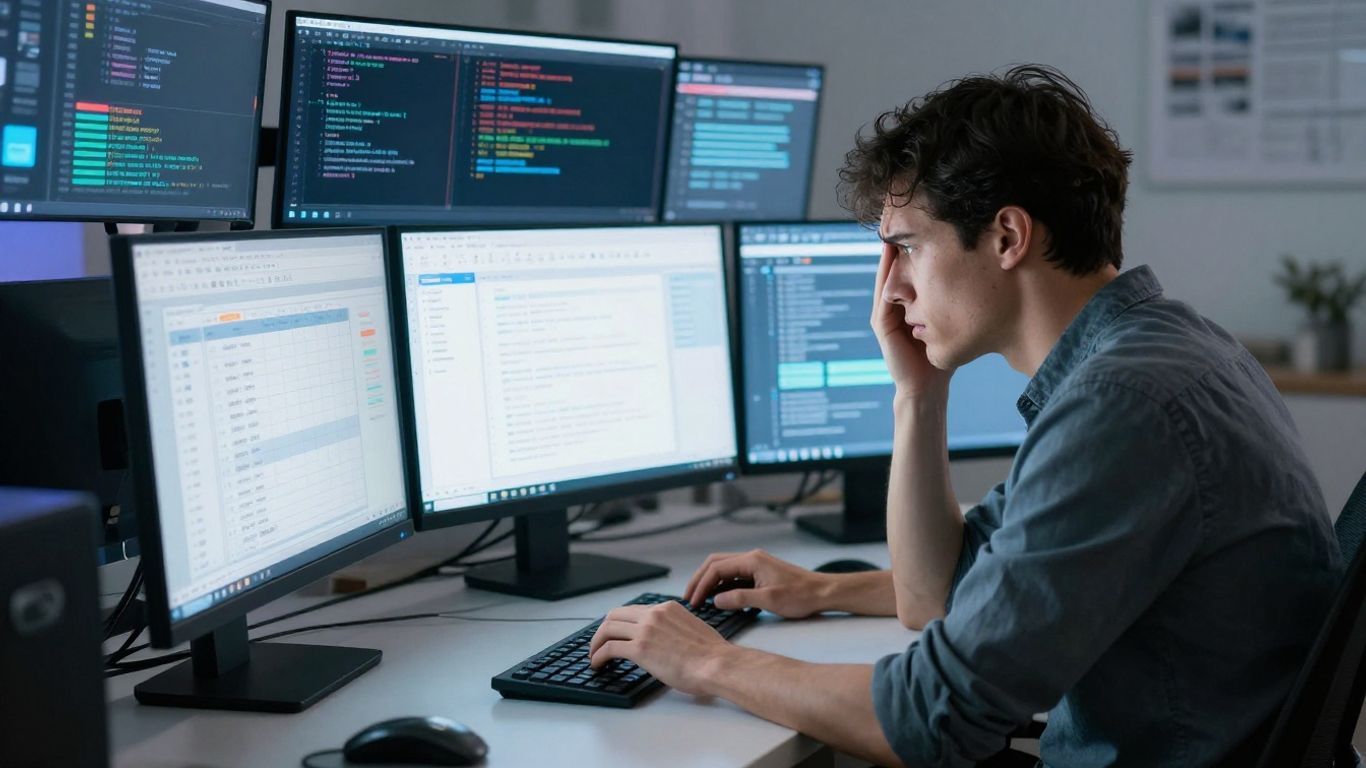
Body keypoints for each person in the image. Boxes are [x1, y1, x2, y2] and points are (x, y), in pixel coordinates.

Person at [589, 64, 1342, 767]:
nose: (891, 291)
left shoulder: (1123, 405)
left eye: (907, 249)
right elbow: (934, 594)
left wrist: (708, 661)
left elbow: (934, 718)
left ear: (1008, 237)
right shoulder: (1159, 349)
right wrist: (918, 395)